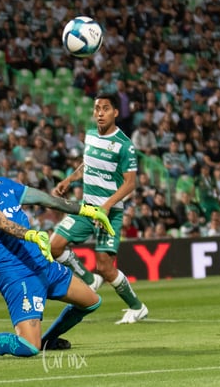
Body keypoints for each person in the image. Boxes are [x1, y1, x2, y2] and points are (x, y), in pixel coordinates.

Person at [0, 139, 115, 360]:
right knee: (28, 347)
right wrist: (29, 234)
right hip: (17, 271)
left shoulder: (0, 183)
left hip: (43, 263)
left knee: (91, 302)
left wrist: (88, 211)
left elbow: (46, 199)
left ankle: (48, 340)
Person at [50, 93, 148, 325]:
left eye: (105, 109)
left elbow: (130, 183)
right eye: (97, 109)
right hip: (86, 208)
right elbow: (88, 163)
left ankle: (137, 307)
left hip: (109, 212)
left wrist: (106, 206)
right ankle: (87, 278)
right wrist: (70, 179)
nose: (100, 113)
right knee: (54, 246)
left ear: (115, 112)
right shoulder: (91, 135)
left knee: (105, 267)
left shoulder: (124, 145)